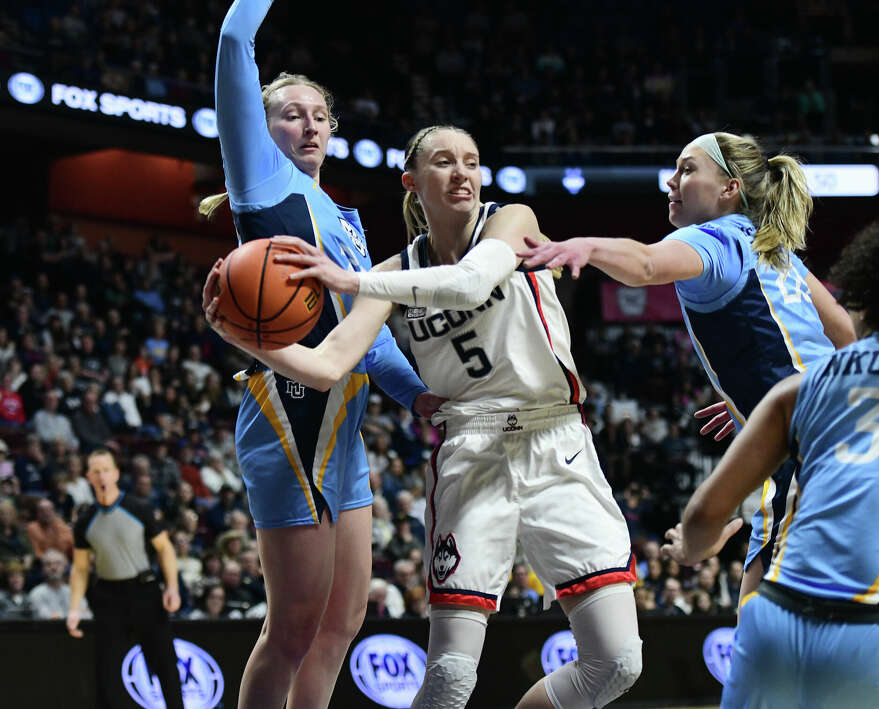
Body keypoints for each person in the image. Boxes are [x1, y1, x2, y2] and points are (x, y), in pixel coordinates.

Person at [204, 125, 643, 709]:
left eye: (471, 160)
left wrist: (352, 279)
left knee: (617, 662)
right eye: (443, 162)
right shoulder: (393, 272)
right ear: (413, 182)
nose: (462, 172)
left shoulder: (510, 221)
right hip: (472, 452)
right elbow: (328, 364)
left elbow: (471, 282)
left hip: (556, 439)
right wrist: (242, 336)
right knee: (449, 681)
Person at [199, 2, 440, 707]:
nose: (308, 124)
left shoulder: (341, 219)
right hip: (290, 412)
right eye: (289, 113)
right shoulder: (262, 182)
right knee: (293, 628)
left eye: (319, 115)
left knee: (341, 622)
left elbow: (372, 334)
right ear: (260, 129)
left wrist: (419, 396)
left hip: (345, 427)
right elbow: (234, 36)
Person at [520, 131, 855, 603]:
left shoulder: (715, 239)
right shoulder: (778, 254)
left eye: (687, 169)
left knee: (765, 645)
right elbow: (846, 337)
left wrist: (587, 248)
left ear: (729, 189)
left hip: (806, 449)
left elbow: (646, 264)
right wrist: (757, 393)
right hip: (847, 435)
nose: (671, 181)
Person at [661, 215, 879, 706]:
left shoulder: (803, 386)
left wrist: (691, 550)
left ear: (867, 298)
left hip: (771, 625)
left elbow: (701, 518)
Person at [67, 449, 184, 709]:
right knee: (106, 671)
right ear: (88, 477)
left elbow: (165, 549)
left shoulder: (139, 508)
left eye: (106, 469)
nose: (102, 476)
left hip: (145, 592)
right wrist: (74, 608)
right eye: (95, 471)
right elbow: (80, 569)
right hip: (109, 598)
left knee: (165, 663)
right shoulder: (84, 521)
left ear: (116, 473)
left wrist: (172, 588)